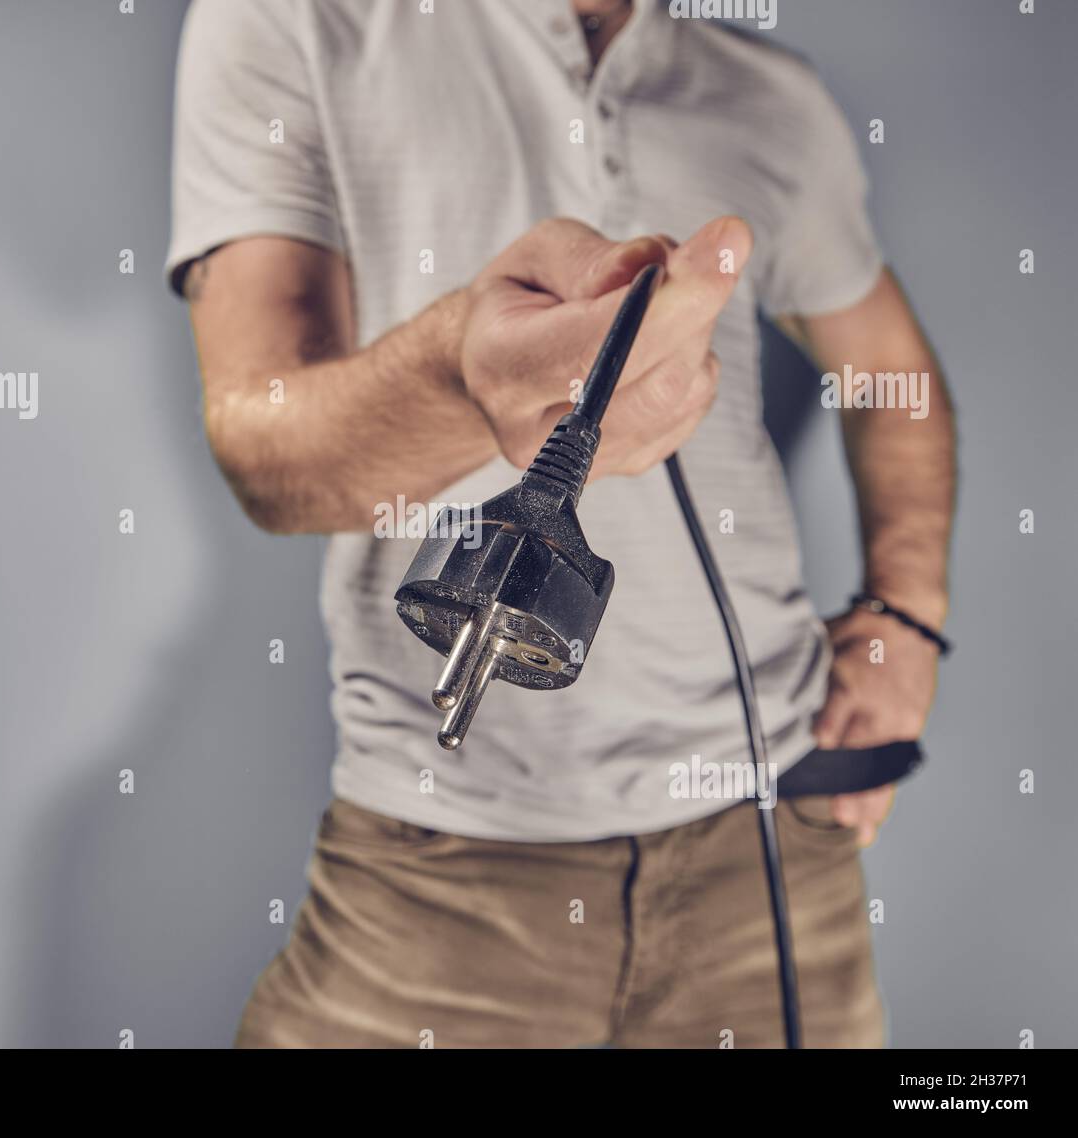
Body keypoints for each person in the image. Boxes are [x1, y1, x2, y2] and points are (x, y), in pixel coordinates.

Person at [166, 0, 954, 1048]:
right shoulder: (288, 21)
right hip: (440, 865)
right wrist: (464, 378)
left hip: (770, 843)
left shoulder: (768, 96)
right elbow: (265, 453)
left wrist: (907, 611)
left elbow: (891, 371)